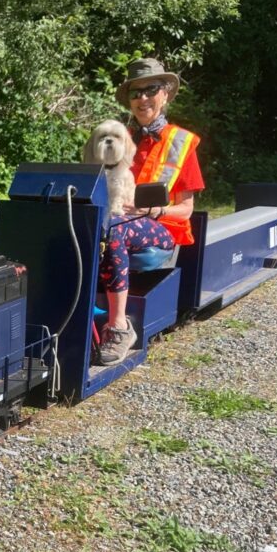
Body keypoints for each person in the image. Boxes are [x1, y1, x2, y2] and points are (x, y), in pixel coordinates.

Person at [97, 58, 205, 365]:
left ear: (166, 93)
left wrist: (155, 210)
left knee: (116, 228)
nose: (142, 98)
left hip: (161, 234)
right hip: (118, 223)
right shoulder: (118, 139)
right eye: (135, 92)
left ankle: (119, 327)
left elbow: (185, 210)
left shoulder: (182, 142)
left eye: (151, 89)